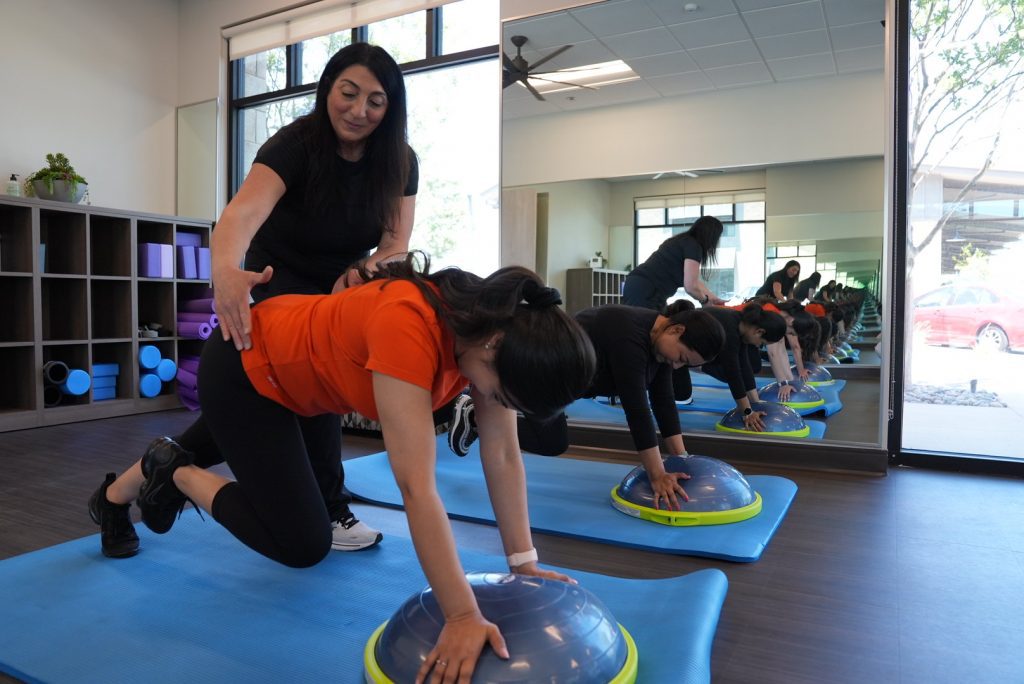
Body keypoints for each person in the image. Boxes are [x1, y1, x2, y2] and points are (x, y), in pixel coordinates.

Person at [89, 256, 597, 682]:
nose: (495, 405)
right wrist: (462, 613)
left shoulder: (494, 331)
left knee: (215, 448)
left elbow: (503, 454)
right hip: (247, 366)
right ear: (494, 347)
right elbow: (416, 487)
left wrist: (523, 562)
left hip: (307, 384)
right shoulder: (411, 327)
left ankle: (112, 500)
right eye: (501, 396)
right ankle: (175, 473)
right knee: (302, 542)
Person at [88, 42, 419, 558]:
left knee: (231, 425)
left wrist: (362, 273)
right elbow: (240, 216)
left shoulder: (399, 161)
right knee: (300, 400)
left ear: (390, 107)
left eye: (375, 101)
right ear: (327, 90)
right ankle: (330, 507)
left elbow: (395, 243)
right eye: (348, 93)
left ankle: (117, 496)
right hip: (272, 295)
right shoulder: (295, 145)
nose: (359, 110)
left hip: (336, 300)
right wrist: (224, 272)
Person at [515, 301, 725, 512]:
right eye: (681, 358)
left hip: (564, 387)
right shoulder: (629, 335)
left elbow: (664, 403)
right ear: (676, 330)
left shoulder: (660, 345)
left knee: (552, 440)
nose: (677, 365)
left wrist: (682, 460)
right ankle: (493, 424)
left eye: (684, 364)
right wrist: (657, 476)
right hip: (538, 374)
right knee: (551, 442)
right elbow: (637, 411)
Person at [674, 303, 786, 432]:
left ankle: (691, 365)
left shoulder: (742, 326)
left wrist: (756, 403)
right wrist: (747, 412)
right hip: (673, 351)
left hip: (688, 352)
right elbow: (733, 374)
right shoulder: (729, 331)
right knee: (682, 397)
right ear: (759, 331)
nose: (758, 346)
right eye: (762, 343)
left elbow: (744, 366)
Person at [622, 216, 727, 311]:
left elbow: (694, 282)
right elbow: (691, 286)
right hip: (646, 289)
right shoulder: (694, 246)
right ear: (712, 235)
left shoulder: (682, 241)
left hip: (640, 286)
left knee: (655, 323)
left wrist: (713, 298)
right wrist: (704, 301)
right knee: (648, 325)